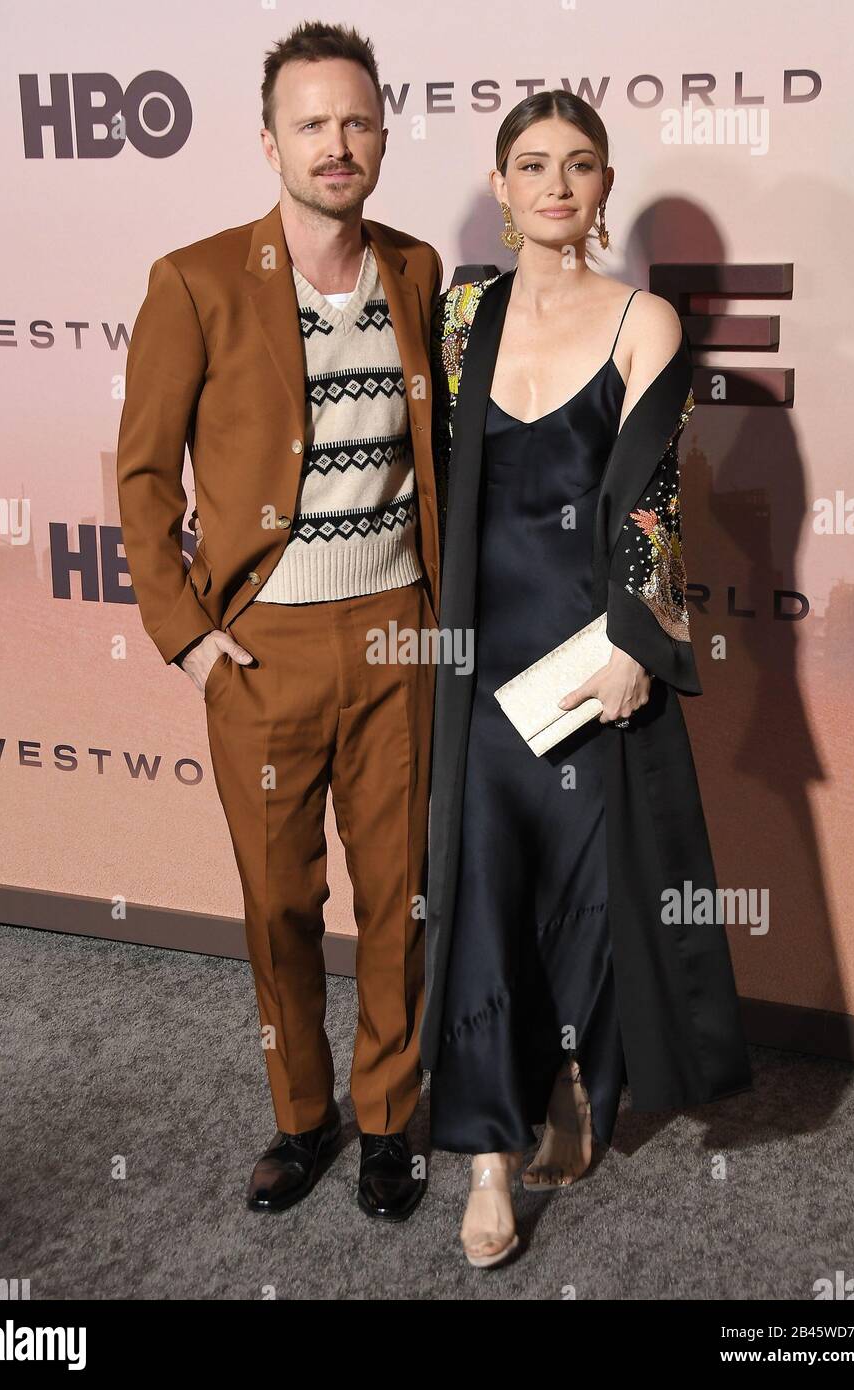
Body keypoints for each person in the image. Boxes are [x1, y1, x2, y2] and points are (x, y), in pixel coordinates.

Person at [116, 21, 443, 1220]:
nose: (336, 143)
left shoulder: (416, 271)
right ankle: (303, 1118)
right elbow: (144, 475)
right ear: (269, 142)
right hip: (262, 650)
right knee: (277, 906)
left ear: (382, 135)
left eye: (356, 120)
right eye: (311, 123)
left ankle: (393, 1124)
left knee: (400, 897)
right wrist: (190, 634)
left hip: (401, 634)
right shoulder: (193, 279)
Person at [422, 90, 753, 1267]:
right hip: (472, 661)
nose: (555, 184)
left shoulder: (644, 319)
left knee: (585, 896)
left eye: (578, 164)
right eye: (531, 164)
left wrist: (634, 639)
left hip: (583, 661)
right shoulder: (462, 310)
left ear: (603, 183)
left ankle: (572, 1075)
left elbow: (653, 497)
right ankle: (485, 1161)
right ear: (501, 185)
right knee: (477, 898)